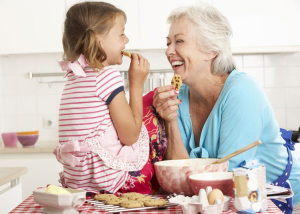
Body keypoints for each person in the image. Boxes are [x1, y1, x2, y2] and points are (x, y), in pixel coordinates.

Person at [152, 2, 300, 213]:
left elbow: (227, 179)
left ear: (211, 50)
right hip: (219, 201)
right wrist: (170, 120)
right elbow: (178, 175)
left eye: (179, 41)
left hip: (282, 202)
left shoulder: (242, 91)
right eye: (168, 42)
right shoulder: (179, 96)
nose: (168, 51)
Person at [53, 1, 166, 195]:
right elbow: (130, 136)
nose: (127, 40)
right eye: (121, 33)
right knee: (155, 117)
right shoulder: (106, 76)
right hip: (111, 182)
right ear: (99, 39)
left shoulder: (73, 77)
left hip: (77, 183)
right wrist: (136, 84)